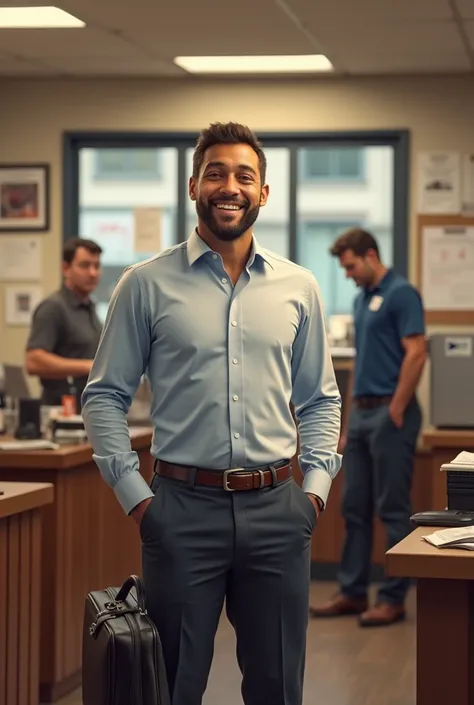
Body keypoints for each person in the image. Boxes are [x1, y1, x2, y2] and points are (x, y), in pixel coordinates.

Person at [82, 121, 342, 705]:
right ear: (194, 185)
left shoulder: (298, 288)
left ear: (263, 193)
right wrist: (138, 501)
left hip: (279, 511)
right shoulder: (144, 285)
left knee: (277, 688)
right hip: (179, 513)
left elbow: (320, 398)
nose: (231, 186)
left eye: (244, 175)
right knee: (170, 687)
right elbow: (104, 395)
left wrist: (315, 494)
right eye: (217, 173)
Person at [310, 227, 426, 627]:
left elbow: (417, 353)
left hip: (391, 415)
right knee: (354, 507)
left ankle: (393, 598)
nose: (348, 274)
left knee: (392, 509)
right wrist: (347, 420)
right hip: (361, 415)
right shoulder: (362, 301)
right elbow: (360, 362)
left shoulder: (401, 294)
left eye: (351, 266)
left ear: (371, 256)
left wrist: (395, 408)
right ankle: (353, 593)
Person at [25, 237, 103, 406]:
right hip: (61, 410)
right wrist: (88, 366)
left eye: (96, 266)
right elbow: (33, 360)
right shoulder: (53, 307)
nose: (93, 273)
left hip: (87, 406)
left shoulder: (90, 307)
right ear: (65, 268)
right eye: (85, 265)